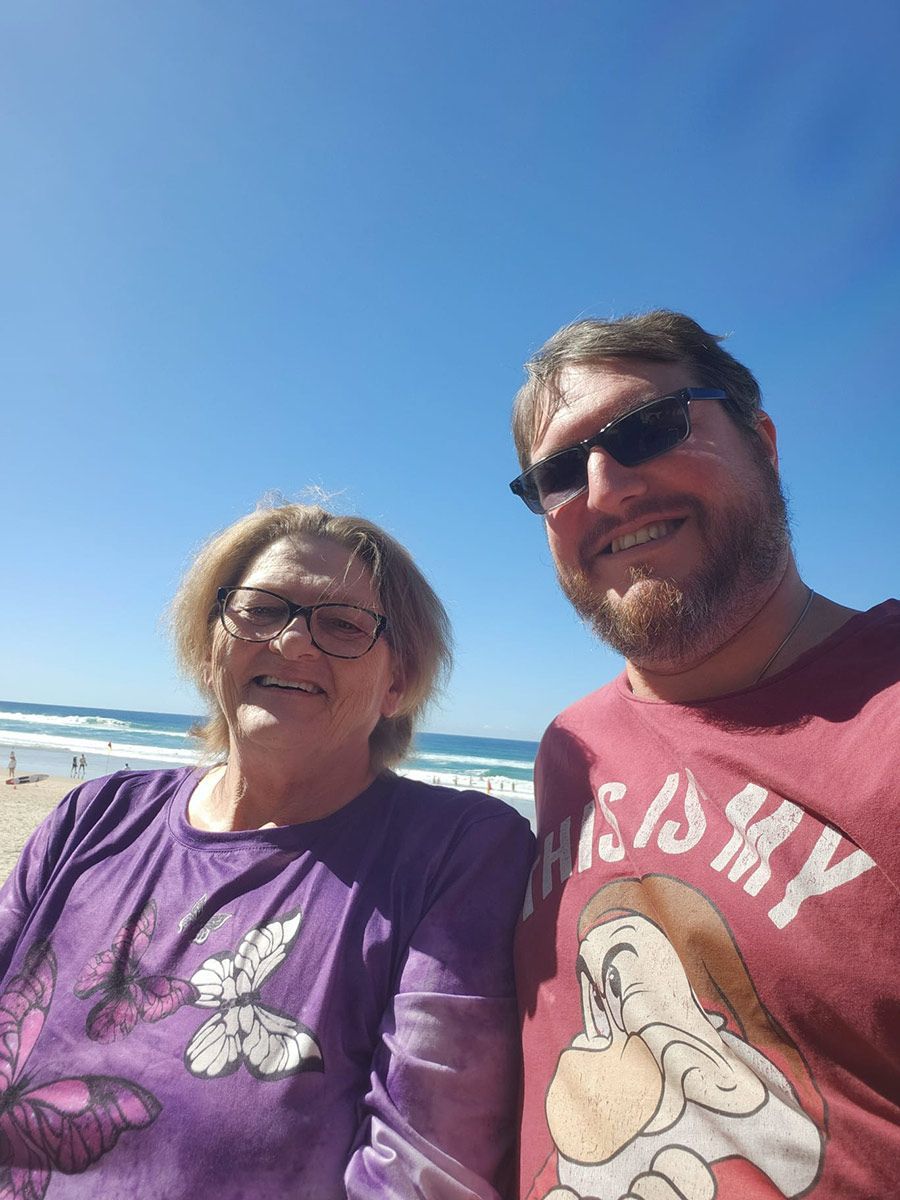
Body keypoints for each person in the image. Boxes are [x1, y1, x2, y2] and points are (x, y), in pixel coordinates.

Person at [0, 501, 535, 1199]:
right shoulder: (92, 815)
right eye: (259, 610)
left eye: (342, 624)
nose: (292, 641)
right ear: (211, 639)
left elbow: (421, 1173)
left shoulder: (455, 855)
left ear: (397, 683)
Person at [508, 310, 899, 1199]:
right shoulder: (571, 751)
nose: (605, 488)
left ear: (761, 441)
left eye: (647, 429)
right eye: (560, 472)